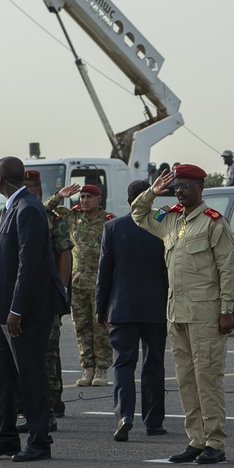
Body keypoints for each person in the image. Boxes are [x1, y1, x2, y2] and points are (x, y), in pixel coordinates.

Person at [131, 164, 234, 463]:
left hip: (206, 313)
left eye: (186, 185)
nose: (179, 190)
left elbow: (228, 268)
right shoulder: (169, 218)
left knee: (208, 379)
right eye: (177, 185)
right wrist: (151, 194)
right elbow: (138, 216)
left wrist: (227, 309)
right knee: (185, 380)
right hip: (176, 313)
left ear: (201, 188)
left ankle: (215, 442)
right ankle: (196, 439)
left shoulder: (213, 223)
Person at [0, 157, 68, 462]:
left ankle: (40, 441)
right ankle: (5, 438)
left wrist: (17, 310)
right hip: (1, 313)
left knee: (31, 376)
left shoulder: (28, 208)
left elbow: (30, 265)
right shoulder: (11, 207)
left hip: (24, 311)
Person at [96, 180, 169, 441]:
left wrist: (100, 308)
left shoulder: (113, 227)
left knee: (124, 363)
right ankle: (154, 421)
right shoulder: (162, 227)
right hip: (156, 307)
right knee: (154, 364)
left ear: (129, 202)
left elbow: (104, 273)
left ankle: (125, 415)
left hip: (122, 306)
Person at [45, 183, 114, 387]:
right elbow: (43, 210)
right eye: (82, 196)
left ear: (99, 200)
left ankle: (101, 368)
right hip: (77, 284)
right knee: (82, 328)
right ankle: (88, 368)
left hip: (100, 285)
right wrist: (59, 195)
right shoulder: (72, 216)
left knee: (100, 328)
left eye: (89, 197)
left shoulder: (108, 221)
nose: (84, 200)